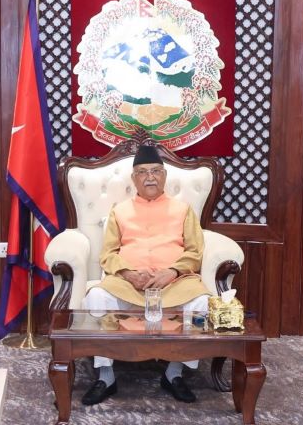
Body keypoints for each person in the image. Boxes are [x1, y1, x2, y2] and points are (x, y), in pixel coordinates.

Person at [81, 144, 210, 406]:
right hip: (128, 284)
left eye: (155, 171)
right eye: (142, 172)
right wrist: (128, 273)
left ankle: (174, 373)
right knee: (96, 297)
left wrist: (171, 271)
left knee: (203, 304)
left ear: (165, 176)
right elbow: (108, 254)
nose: (150, 177)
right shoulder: (119, 210)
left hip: (174, 283)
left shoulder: (183, 209)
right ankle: (106, 376)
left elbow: (195, 252)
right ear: (133, 178)